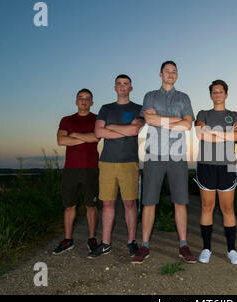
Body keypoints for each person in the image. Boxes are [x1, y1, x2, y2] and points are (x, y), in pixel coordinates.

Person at [132, 61, 197, 264]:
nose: (170, 74)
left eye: (174, 71)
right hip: (154, 156)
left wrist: (163, 120)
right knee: (149, 201)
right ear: (160, 74)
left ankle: (183, 245)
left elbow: (188, 125)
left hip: (177, 156)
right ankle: (144, 246)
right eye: (167, 71)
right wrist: (175, 121)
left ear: (177, 75)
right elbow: (149, 120)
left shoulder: (184, 97)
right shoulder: (150, 96)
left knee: (180, 202)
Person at [89, 75, 144, 259]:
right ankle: (105, 244)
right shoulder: (106, 108)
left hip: (129, 162)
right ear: (115, 88)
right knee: (107, 203)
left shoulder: (138, 109)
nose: (122, 86)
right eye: (119, 84)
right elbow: (98, 132)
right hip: (107, 162)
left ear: (131, 88)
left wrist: (111, 127)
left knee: (129, 203)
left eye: (126, 84)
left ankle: (131, 242)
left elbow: (134, 130)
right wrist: (123, 129)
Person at [194, 79, 237, 264]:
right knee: (207, 207)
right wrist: (227, 134)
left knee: (228, 208)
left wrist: (214, 134)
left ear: (226, 94)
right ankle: (206, 248)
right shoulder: (203, 113)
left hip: (228, 165)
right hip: (206, 164)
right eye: (214, 92)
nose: (217, 95)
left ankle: (231, 250)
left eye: (220, 91)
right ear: (210, 95)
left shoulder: (235, 114)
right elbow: (201, 134)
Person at [53, 88, 100, 255]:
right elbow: (61, 140)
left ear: (92, 102)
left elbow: (96, 137)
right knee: (69, 205)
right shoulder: (66, 120)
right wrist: (84, 137)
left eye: (87, 98)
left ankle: (92, 239)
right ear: (76, 101)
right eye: (81, 98)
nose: (84, 101)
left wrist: (74, 135)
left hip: (91, 168)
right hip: (71, 169)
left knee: (91, 205)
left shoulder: (97, 119)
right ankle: (68, 240)